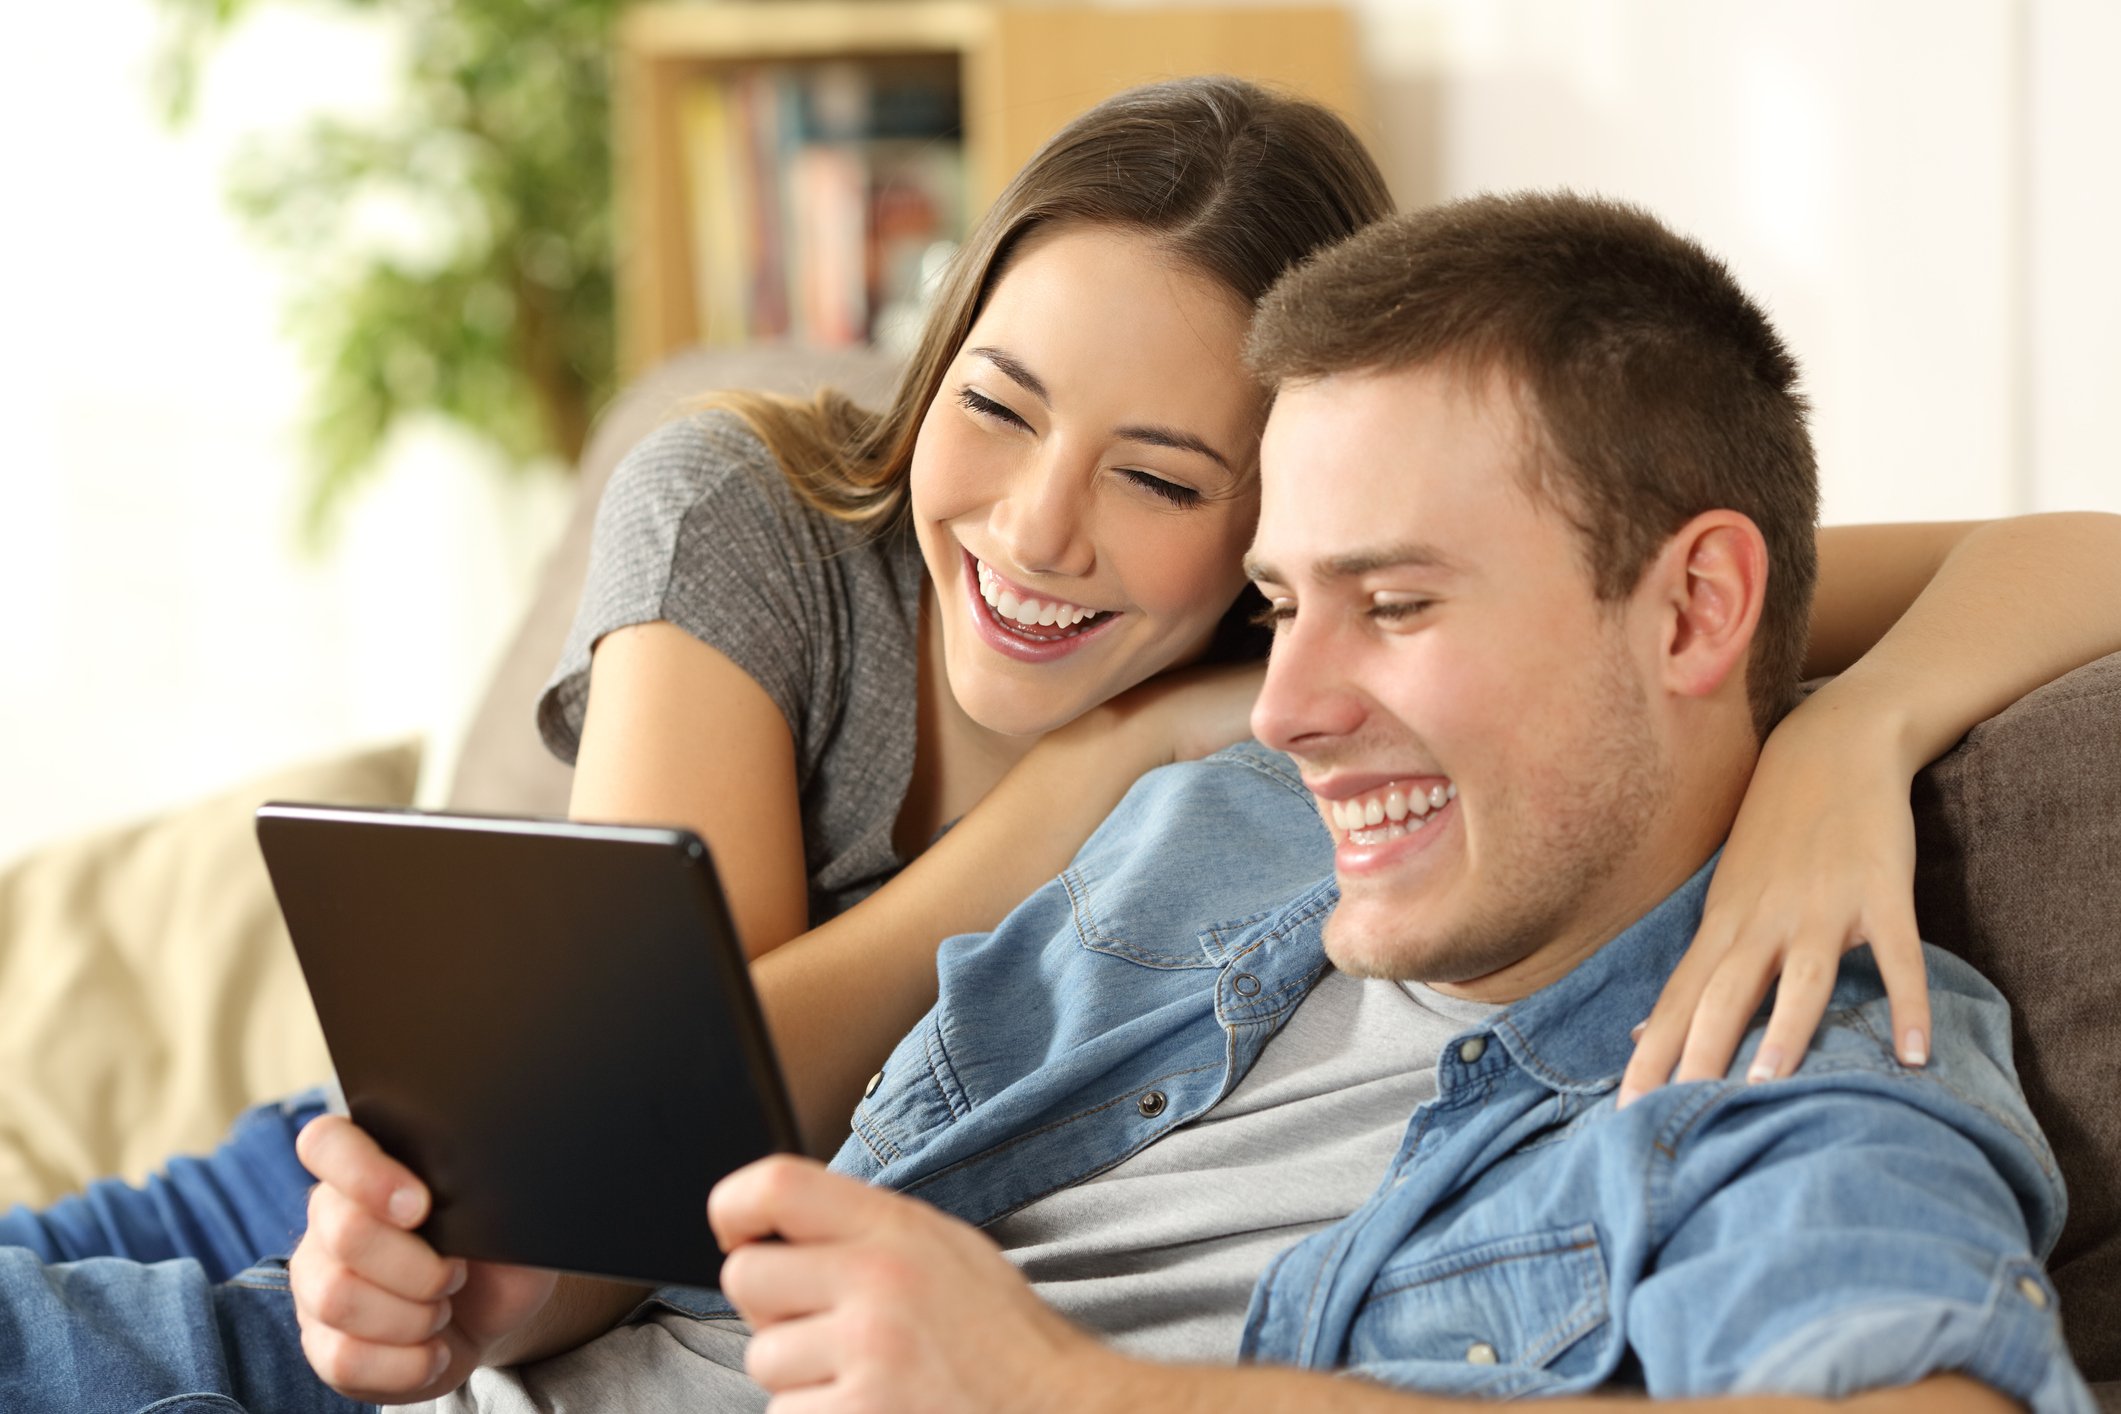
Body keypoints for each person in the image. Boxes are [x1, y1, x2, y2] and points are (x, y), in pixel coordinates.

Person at [5, 78, 2117, 1409]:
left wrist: (1058, 1385)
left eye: (1386, 599)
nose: (1285, 699)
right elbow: (679, 1181)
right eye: (1290, 606)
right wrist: (489, 1289)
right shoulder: (1195, 807)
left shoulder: (1782, 1055)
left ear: (1693, 608)